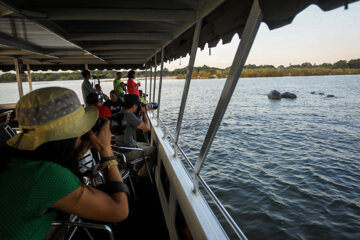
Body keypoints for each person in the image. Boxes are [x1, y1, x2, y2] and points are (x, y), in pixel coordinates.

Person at [0, 87, 129, 239]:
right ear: (66, 137)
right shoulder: (46, 175)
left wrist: (74, 154)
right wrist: (106, 150)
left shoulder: (16, 162)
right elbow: (119, 211)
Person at [113, 94, 155, 175]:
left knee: (146, 144)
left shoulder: (120, 113)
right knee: (153, 150)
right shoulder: (129, 116)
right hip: (128, 151)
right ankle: (141, 174)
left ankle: (135, 168)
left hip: (119, 149)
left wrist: (140, 113)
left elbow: (136, 125)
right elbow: (147, 128)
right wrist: (144, 113)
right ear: (134, 105)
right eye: (137, 105)